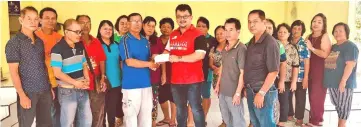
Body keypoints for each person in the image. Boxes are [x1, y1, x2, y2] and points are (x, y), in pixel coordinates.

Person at [159, 4, 207, 127]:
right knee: (180, 110)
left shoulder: (198, 35)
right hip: (176, 80)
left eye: (185, 16)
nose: (182, 19)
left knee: (196, 108)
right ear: (176, 18)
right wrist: (157, 59)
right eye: (179, 16)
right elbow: (167, 51)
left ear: (191, 17)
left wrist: (179, 58)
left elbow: (199, 55)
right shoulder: (173, 34)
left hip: (193, 80)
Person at [5, 6, 52, 127]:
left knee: (46, 124)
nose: (33, 22)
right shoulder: (14, 43)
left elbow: (43, 66)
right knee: (26, 124)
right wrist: (21, 95)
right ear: (21, 20)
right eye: (29, 18)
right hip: (28, 92)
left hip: (44, 90)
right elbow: (13, 72)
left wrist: (49, 87)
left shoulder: (39, 41)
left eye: (36, 19)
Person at [118, 13, 158, 127]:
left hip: (146, 84)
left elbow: (148, 60)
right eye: (134, 21)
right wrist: (149, 64)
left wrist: (155, 60)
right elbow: (129, 61)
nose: (137, 23)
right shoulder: (125, 40)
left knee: (146, 119)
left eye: (139, 21)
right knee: (131, 119)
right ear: (128, 24)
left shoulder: (145, 41)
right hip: (131, 86)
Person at [51, 19, 92, 127]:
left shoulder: (79, 45)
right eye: (76, 32)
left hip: (82, 89)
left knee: (86, 121)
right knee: (68, 123)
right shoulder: (57, 49)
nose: (79, 35)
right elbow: (57, 73)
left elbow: (84, 64)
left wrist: (87, 77)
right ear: (66, 32)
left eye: (80, 32)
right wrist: (75, 83)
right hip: (67, 91)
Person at [245, 9, 280, 127]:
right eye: (249, 22)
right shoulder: (252, 42)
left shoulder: (270, 42)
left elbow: (274, 71)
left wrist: (261, 93)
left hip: (263, 91)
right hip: (251, 89)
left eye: (255, 21)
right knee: (256, 123)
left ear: (263, 22)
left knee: (266, 123)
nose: (251, 25)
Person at [324, 22, 359, 127]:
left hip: (343, 83)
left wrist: (343, 81)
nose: (337, 33)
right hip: (332, 83)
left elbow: (350, 65)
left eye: (340, 31)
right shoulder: (333, 47)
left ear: (346, 32)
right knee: (338, 106)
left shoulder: (350, 46)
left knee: (343, 107)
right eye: (335, 31)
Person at [214, 18, 247, 127]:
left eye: (231, 30)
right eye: (226, 30)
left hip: (233, 92)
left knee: (238, 120)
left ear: (238, 31)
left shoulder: (241, 49)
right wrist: (218, 84)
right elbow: (222, 67)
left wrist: (238, 93)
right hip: (223, 90)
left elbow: (243, 73)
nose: (227, 33)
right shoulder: (225, 47)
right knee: (227, 119)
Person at [77, 15, 107, 127]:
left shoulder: (96, 41)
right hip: (80, 83)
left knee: (97, 112)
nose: (85, 25)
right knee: (81, 114)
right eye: (82, 22)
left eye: (88, 22)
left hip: (95, 83)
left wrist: (103, 76)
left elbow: (102, 60)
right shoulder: (74, 42)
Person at [35, 7, 63, 127]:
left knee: (59, 113)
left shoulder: (59, 38)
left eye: (53, 18)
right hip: (43, 84)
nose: (50, 21)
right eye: (47, 18)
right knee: (46, 116)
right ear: (40, 20)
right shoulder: (34, 37)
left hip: (59, 82)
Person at [187, 16, 216, 126]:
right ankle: (190, 121)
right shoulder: (192, 37)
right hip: (192, 73)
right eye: (198, 25)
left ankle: (203, 118)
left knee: (205, 96)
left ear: (207, 29)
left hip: (207, 73)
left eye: (203, 26)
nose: (200, 28)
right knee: (192, 97)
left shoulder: (212, 40)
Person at [304, 13, 332, 127]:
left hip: (320, 70)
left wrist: (312, 48)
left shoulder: (325, 36)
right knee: (311, 95)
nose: (316, 24)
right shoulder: (308, 36)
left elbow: (325, 54)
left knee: (318, 96)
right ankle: (313, 120)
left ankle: (317, 121)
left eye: (319, 22)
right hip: (309, 68)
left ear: (323, 25)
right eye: (314, 21)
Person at [96, 20, 123, 127]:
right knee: (101, 109)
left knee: (112, 109)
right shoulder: (96, 44)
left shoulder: (117, 45)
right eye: (105, 28)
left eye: (110, 29)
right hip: (101, 82)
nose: (108, 31)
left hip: (116, 82)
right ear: (99, 30)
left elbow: (121, 62)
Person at [140, 16, 165, 127]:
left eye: (153, 26)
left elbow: (162, 58)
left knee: (153, 101)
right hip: (140, 77)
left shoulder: (157, 40)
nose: (150, 28)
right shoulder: (137, 39)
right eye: (148, 25)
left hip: (154, 76)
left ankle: (153, 122)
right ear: (143, 25)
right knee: (141, 103)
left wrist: (163, 74)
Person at [276, 23, 300, 127]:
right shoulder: (273, 45)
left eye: (284, 32)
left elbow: (296, 66)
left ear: (289, 34)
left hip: (286, 79)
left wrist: (294, 82)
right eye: (280, 32)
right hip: (272, 78)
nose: (282, 34)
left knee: (284, 101)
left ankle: (282, 122)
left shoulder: (292, 48)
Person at [156, 17, 177, 127]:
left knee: (173, 97)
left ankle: (173, 120)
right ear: (160, 28)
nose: (166, 29)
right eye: (163, 26)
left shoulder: (175, 41)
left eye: (168, 27)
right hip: (159, 73)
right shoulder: (157, 40)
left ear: (172, 29)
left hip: (174, 72)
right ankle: (166, 118)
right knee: (162, 97)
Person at [288, 20, 310, 126]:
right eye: (294, 28)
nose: (296, 30)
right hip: (288, 75)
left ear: (302, 31)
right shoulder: (288, 41)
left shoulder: (304, 43)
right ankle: (289, 115)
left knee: (300, 98)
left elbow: (307, 61)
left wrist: (306, 77)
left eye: (299, 29)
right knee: (287, 96)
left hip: (301, 76)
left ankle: (300, 118)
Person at [209, 25, 227, 127]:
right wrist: (214, 67)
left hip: (229, 78)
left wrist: (221, 69)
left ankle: (232, 121)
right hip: (216, 79)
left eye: (221, 33)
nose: (219, 36)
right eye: (217, 34)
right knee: (222, 100)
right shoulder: (213, 48)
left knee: (230, 100)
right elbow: (210, 63)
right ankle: (224, 121)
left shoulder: (231, 46)